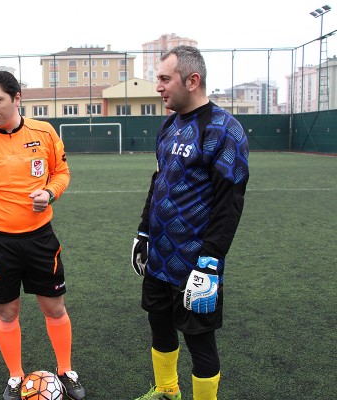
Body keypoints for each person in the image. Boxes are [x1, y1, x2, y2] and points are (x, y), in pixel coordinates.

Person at [0, 70, 86, 400]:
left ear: (17, 99)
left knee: (55, 308)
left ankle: (65, 370)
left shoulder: (45, 132)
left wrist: (50, 193)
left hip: (40, 239)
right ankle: (15, 376)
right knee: (7, 313)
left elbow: (62, 173)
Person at [130, 46, 249, 400]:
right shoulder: (169, 126)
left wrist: (211, 263)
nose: (158, 87)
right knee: (160, 327)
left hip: (197, 263)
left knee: (199, 340)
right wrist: (143, 231)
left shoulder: (225, 130)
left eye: (165, 79)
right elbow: (159, 181)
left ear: (192, 80)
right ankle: (167, 390)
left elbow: (230, 204)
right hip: (160, 258)